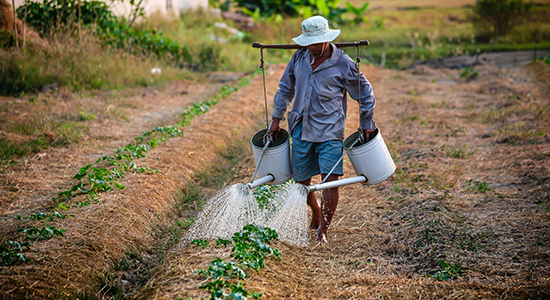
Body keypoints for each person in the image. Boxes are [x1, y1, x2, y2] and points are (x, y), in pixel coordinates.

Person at [268, 15, 377, 243]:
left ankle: (323, 231)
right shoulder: (299, 58)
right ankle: (316, 211)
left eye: (317, 43)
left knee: (330, 180)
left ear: (327, 39)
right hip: (301, 128)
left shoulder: (343, 64)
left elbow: (365, 94)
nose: (313, 47)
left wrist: (367, 122)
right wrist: (276, 118)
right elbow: (285, 88)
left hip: (330, 131)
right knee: (302, 183)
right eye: (309, 43)